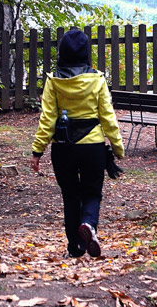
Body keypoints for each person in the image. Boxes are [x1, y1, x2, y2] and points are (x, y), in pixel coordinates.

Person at [30, 28, 125, 258]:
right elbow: (107, 116)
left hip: (63, 148)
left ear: (62, 52)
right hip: (93, 147)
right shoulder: (98, 80)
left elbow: (47, 119)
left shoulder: (53, 82)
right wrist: (117, 146)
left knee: (70, 196)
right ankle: (89, 225)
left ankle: (75, 248)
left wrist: (37, 150)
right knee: (92, 193)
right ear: (85, 52)